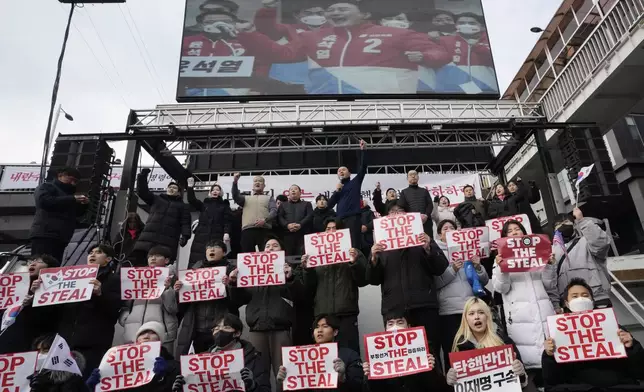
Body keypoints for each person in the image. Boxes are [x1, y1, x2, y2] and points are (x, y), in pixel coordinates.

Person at [235, 2, 451, 94]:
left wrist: (424, 55)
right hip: (325, 108)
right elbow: (281, 54)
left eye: (342, 8)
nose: (335, 12)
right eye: (332, 9)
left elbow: (441, 54)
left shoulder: (398, 33)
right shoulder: (313, 36)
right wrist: (248, 33)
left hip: (387, 107)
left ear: (364, 14)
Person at [367, 204, 449, 363]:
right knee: (401, 360)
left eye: (401, 213)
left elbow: (441, 268)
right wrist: (374, 260)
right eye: (392, 213)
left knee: (430, 355)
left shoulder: (422, 239)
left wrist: (428, 249)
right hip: (394, 311)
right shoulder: (381, 247)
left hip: (425, 307)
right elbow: (372, 280)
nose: (397, 216)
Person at [542, 278, 644, 389]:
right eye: (575, 296)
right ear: (567, 303)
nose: (581, 299)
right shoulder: (558, 335)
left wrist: (632, 347)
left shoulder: (615, 328)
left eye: (585, 295)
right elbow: (552, 380)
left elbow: (640, 371)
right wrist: (549, 356)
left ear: (592, 301)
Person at [228, 238, 304, 384]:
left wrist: (290, 278)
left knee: (284, 375)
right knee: (258, 375)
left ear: (282, 251)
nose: (270, 248)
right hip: (256, 330)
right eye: (267, 246)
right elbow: (238, 300)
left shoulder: (289, 271)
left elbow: (299, 296)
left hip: (281, 330)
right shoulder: (250, 273)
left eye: (275, 245)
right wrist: (233, 283)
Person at [492, 220, 558, 388]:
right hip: (520, 318)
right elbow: (501, 288)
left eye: (517, 229)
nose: (514, 233)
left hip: (543, 314)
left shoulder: (538, 253)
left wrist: (549, 266)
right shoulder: (499, 259)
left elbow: (550, 285)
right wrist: (501, 268)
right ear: (505, 237)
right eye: (510, 231)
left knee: (551, 364)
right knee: (530, 369)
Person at [52, 244, 122, 378]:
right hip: (65, 343)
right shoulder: (71, 278)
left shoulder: (114, 280)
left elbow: (114, 311)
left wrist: (100, 295)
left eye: (98, 252)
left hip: (92, 344)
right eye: (90, 252)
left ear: (108, 259)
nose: (92, 255)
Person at [300, 218, 368, 353]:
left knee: (350, 352)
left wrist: (354, 263)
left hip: (346, 312)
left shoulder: (353, 252)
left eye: (335, 228)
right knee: (325, 356)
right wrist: (307, 269)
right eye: (328, 229)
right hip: (323, 314)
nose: (331, 231)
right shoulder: (314, 254)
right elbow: (308, 287)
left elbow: (363, 280)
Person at [434, 219, 488, 370]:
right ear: (440, 235)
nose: (450, 230)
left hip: (470, 310)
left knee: (475, 351)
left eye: (453, 227)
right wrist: (453, 270)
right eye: (445, 229)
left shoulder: (468, 250)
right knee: (453, 352)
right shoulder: (435, 254)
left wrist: (478, 267)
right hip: (449, 312)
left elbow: (484, 281)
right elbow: (435, 283)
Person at [172, 313, 271, 392]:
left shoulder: (253, 358)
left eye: (226, 327)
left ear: (237, 333)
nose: (220, 331)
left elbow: (265, 389)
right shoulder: (201, 361)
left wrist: (252, 386)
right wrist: (183, 387)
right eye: (216, 328)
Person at [182, 11, 272, 97]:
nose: (219, 24)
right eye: (211, 21)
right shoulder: (186, 41)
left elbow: (261, 63)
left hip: (232, 92)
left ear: (234, 24)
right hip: (190, 91)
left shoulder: (245, 41)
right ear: (202, 24)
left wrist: (256, 89)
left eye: (225, 21)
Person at [445, 298, 528, 388]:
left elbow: (522, 383)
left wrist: (521, 373)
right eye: (471, 313)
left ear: (487, 316)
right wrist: (450, 380)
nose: (477, 317)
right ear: (466, 319)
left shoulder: (504, 342)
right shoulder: (458, 348)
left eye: (481, 312)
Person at [174, 240, 237, 354]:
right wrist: (179, 290)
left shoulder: (232, 271)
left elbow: (238, 300)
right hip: (197, 328)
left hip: (221, 328)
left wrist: (230, 285)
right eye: (209, 247)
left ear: (224, 252)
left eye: (216, 247)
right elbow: (182, 303)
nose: (212, 249)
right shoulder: (193, 272)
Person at [276, 314, 363, 391]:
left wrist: (342, 377)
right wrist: (284, 381)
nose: (319, 330)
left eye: (325, 326)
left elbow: (359, 386)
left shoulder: (350, 355)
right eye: (317, 327)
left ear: (335, 332)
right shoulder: (302, 357)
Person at [87, 321, 180, 392]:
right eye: (142, 333)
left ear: (160, 340)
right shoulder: (119, 366)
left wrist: (163, 378)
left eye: (152, 333)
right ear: (137, 341)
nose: (146, 336)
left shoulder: (173, 366)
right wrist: (92, 388)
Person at [364, 314, 448, 392]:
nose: (395, 327)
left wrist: (431, 371)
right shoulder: (377, 354)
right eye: (390, 324)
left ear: (408, 327)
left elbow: (440, 387)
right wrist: (370, 376)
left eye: (400, 322)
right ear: (385, 329)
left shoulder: (425, 349)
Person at [119, 246, 178, 355]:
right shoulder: (136, 277)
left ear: (167, 260)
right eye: (150, 256)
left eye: (157, 256)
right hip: (134, 332)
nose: (153, 258)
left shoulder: (174, 279)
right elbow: (126, 304)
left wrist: (167, 289)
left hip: (162, 334)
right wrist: (126, 319)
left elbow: (173, 309)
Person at [253, 0, 328, 86]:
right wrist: (268, 9)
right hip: (289, 83)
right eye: (308, 13)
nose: (315, 17)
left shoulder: (334, 32)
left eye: (320, 13)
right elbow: (266, 26)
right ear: (296, 15)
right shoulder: (288, 29)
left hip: (323, 82)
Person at [0, 254, 61, 354]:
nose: (32, 263)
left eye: (39, 261)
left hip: (29, 345)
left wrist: (33, 297)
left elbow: (47, 319)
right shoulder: (13, 288)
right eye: (30, 261)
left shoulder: (56, 292)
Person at [552, 207, 612, 308]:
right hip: (568, 303)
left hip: (596, 298)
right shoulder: (551, 251)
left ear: (574, 225)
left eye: (566, 222)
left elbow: (601, 243)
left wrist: (582, 221)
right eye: (558, 224)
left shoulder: (587, 242)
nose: (562, 225)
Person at [131, 169, 191, 266]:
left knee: (162, 268)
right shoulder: (156, 199)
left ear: (179, 192)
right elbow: (142, 192)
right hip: (147, 239)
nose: (171, 189)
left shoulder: (183, 206)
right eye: (170, 187)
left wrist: (185, 236)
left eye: (174, 188)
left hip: (167, 241)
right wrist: (142, 176)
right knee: (140, 266)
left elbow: (185, 223)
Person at [29, 167, 88, 263]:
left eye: (75, 182)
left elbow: (77, 214)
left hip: (61, 237)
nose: (72, 183)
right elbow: (44, 201)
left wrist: (84, 205)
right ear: (61, 175)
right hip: (45, 234)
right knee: (40, 264)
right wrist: (72, 199)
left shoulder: (70, 196)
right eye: (71, 179)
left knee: (54, 265)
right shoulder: (46, 186)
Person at [435, 13, 497, 94]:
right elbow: (436, 58)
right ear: (456, 26)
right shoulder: (444, 40)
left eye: (472, 23)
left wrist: (478, 47)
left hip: (487, 88)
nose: (466, 25)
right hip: (452, 90)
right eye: (461, 23)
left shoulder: (492, 40)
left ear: (482, 27)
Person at [327, 140, 367, 250]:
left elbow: (363, 167)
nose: (341, 171)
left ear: (349, 173)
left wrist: (363, 151)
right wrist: (337, 191)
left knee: (354, 247)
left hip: (353, 218)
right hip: (339, 220)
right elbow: (329, 205)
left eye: (343, 170)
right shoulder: (338, 188)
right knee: (341, 247)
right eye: (339, 171)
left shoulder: (355, 182)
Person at [186, 179, 233, 267]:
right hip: (201, 237)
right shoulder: (204, 205)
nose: (215, 191)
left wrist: (226, 232)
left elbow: (227, 221)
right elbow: (192, 200)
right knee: (197, 259)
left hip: (217, 236)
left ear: (221, 193)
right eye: (213, 190)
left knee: (215, 260)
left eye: (217, 190)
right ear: (210, 192)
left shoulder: (224, 206)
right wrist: (190, 187)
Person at [231, 173, 278, 253]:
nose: (257, 183)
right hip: (248, 231)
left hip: (264, 230)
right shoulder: (245, 198)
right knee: (247, 254)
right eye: (255, 181)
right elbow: (235, 196)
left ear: (264, 186)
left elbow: (274, 211)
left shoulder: (269, 198)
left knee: (265, 253)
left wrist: (265, 220)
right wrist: (235, 182)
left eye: (260, 181)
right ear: (252, 185)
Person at [278, 185, 314, 256]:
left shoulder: (307, 204)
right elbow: (279, 217)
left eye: (295, 189)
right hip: (287, 235)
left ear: (300, 193)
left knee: (302, 256)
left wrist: (300, 224)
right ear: (289, 193)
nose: (293, 191)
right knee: (288, 257)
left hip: (302, 235)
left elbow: (309, 216)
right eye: (291, 189)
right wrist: (287, 225)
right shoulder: (283, 205)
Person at [398, 170, 434, 235]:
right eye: (410, 175)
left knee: (429, 242)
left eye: (415, 174)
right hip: (411, 223)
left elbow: (430, 204)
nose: (413, 176)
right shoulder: (404, 192)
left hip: (426, 223)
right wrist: (412, 217)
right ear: (407, 178)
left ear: (418, 177)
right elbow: (401, 207)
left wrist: (426, 215)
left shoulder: (424, 191)